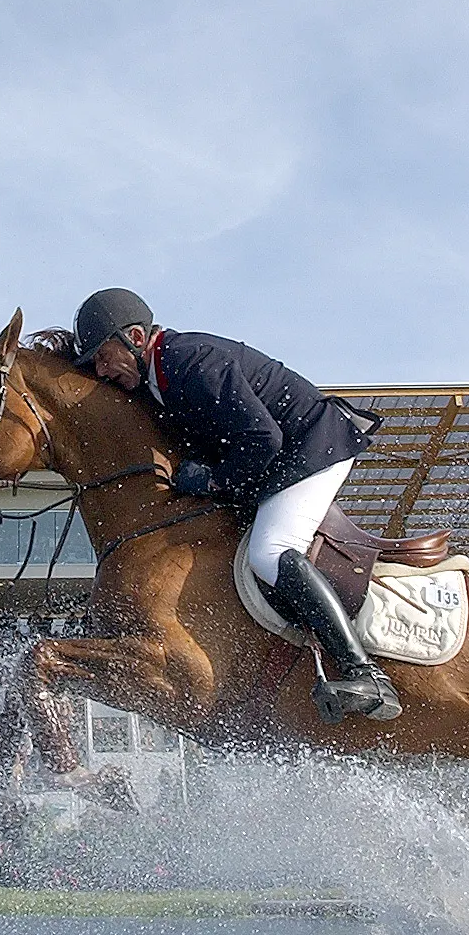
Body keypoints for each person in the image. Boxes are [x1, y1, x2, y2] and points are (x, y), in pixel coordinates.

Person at [71, 288, 399, 722]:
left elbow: (264, 439)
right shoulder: (158, 379)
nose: (100, 369)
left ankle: (366, 673)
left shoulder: (191, 361)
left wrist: (212, 480)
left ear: (134, 336)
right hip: (279, 460)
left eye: (102, 355)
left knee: (270, 553)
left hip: (313, 448)